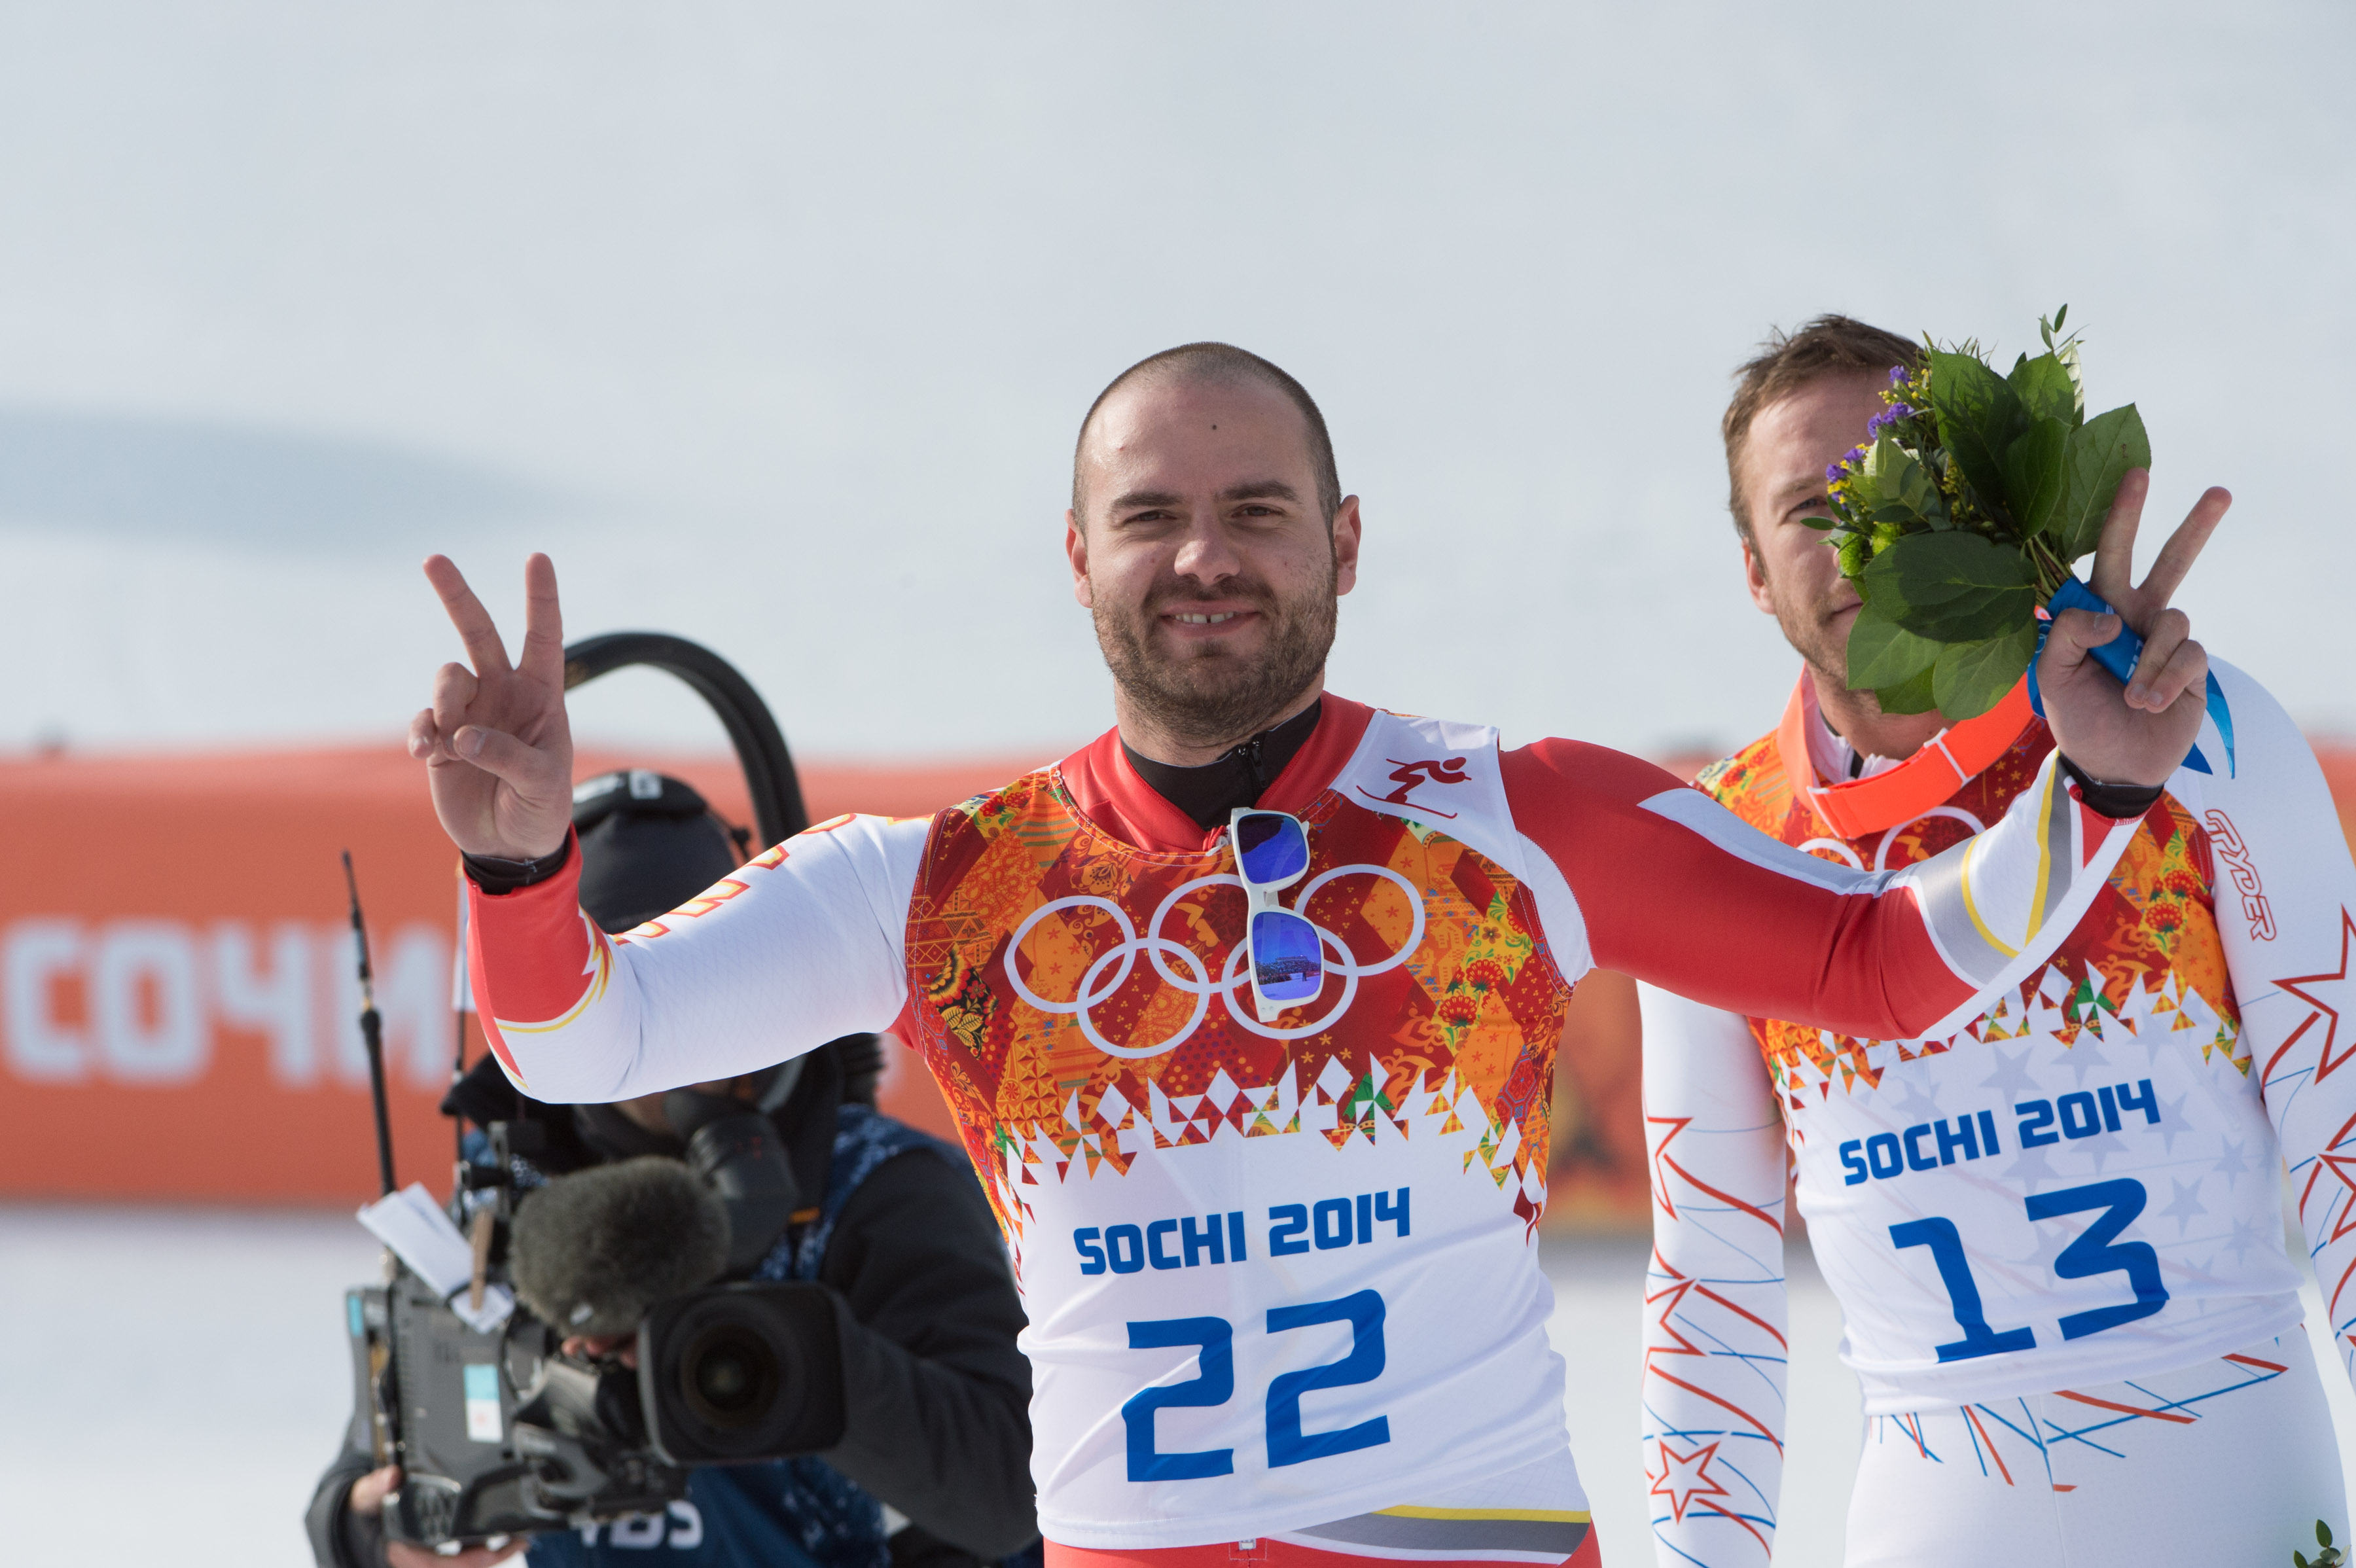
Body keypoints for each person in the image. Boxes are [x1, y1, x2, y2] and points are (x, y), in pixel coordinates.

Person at [408, 342, 2215, 1568]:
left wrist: (2094, 796)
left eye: (1259, 509)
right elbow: (581, 1033)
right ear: (1078, 557)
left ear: (1342, 540)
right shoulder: (943, 879)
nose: (1207, 556)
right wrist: (520, 859)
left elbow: (1881, 964)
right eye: (1153, 515)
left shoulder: (1518, 818)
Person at [1636, 315, 2356, 1565]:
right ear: (1754, 571)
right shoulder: (1723, 840)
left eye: (1902, 488)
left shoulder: (2191, 724)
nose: (1863, 535)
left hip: (2240, 1505)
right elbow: (1711, 1279)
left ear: (1983, 517)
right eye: (1813, 506)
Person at [304, 770, 1039, 1568]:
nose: (673, 1029)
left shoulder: (879, 1186)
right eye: (633, 992)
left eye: (699, 984)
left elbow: (1010, 1496)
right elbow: (369, 1467)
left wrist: (787, 1351)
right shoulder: (505, 1187)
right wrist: (372, 1530)